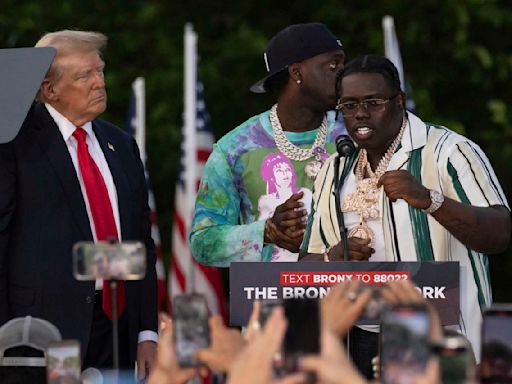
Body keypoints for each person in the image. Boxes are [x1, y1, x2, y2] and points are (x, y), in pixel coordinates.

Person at [300, 54, 510, 377]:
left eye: (373, 102)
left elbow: (500, 232)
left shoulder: (448, 152)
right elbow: (304, 263)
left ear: (399, 101)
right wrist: (332, 257)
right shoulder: (334, 168)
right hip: (356, 344)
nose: (360, 114)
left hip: (444, 340)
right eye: (349, 106)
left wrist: (430, 200)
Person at [0, 30, 158, 377]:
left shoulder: (121, 144)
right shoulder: (15, 146)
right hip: (43, 333)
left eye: (99, 71)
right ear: (49, 89)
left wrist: (147, 331)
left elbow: (140, 242)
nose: (99, 83)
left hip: (116, 328)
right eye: (84, 75)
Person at [190, 22, 346, 265]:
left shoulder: (354, 135)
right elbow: (203, 243)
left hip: (349, 295)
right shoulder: (235, 148)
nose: (343, 75)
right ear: (297, 73)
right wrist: (267, 231)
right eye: (333, 65)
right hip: (269, 298)